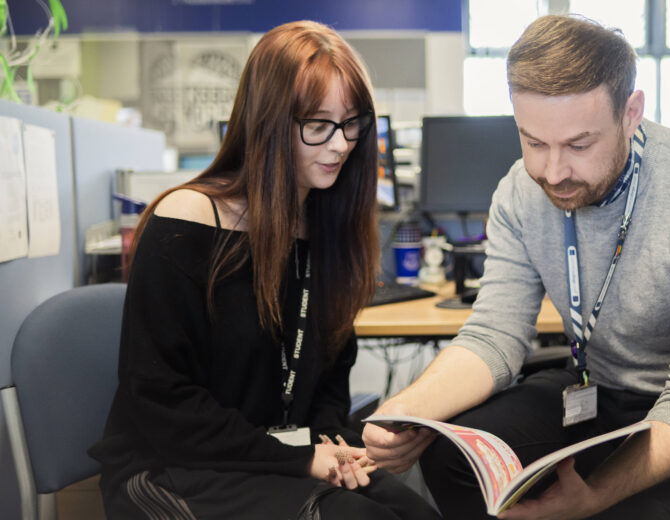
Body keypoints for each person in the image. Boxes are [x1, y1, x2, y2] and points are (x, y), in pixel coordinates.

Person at [363, 14, 670, 520]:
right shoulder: (521, 191)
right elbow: (493, 335)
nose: (553, 172)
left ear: (631, 113)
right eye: (534, 142)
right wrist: (406, 412)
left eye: (579, 145)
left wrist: (593, 498)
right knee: (454, 458)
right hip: (599, 388)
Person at [89, 21, 440, 520]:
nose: (341, 145)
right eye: (318, 125)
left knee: (415, 513)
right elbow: (161, 402)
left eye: (352, 123)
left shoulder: (323, 224)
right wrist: (299, 459)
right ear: (269, 122)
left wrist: (329, 445)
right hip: (171, 467)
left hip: (272, 461)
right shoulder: (186, 221)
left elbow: (327, 384)